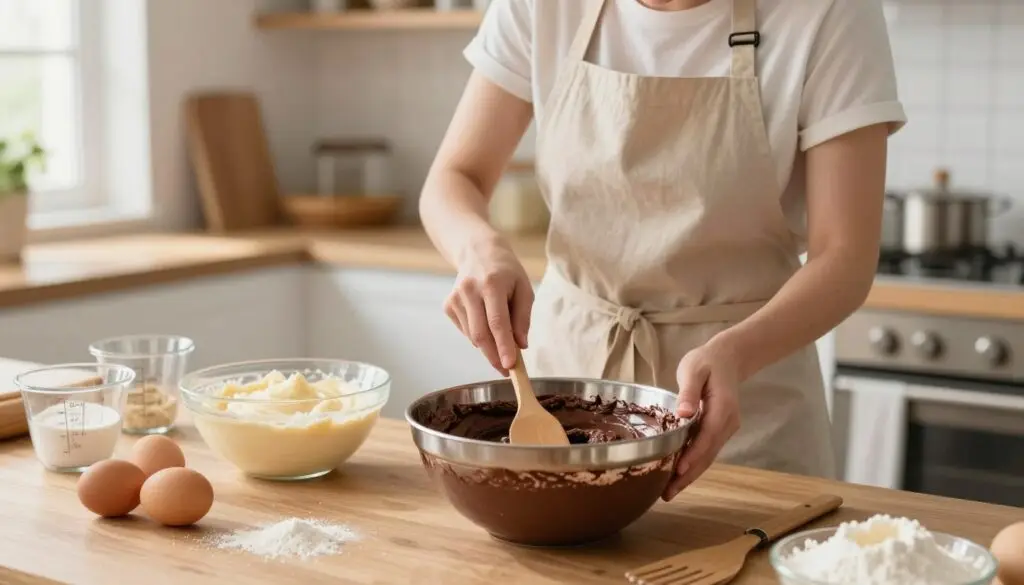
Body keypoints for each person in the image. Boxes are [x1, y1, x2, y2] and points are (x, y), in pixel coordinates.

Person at [419, 0, 906, 500]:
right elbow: (454, 179)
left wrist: (736, 355)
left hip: (744, 408)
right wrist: (479, 248)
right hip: (564, 391)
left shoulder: (828, 11)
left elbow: (844, 256)